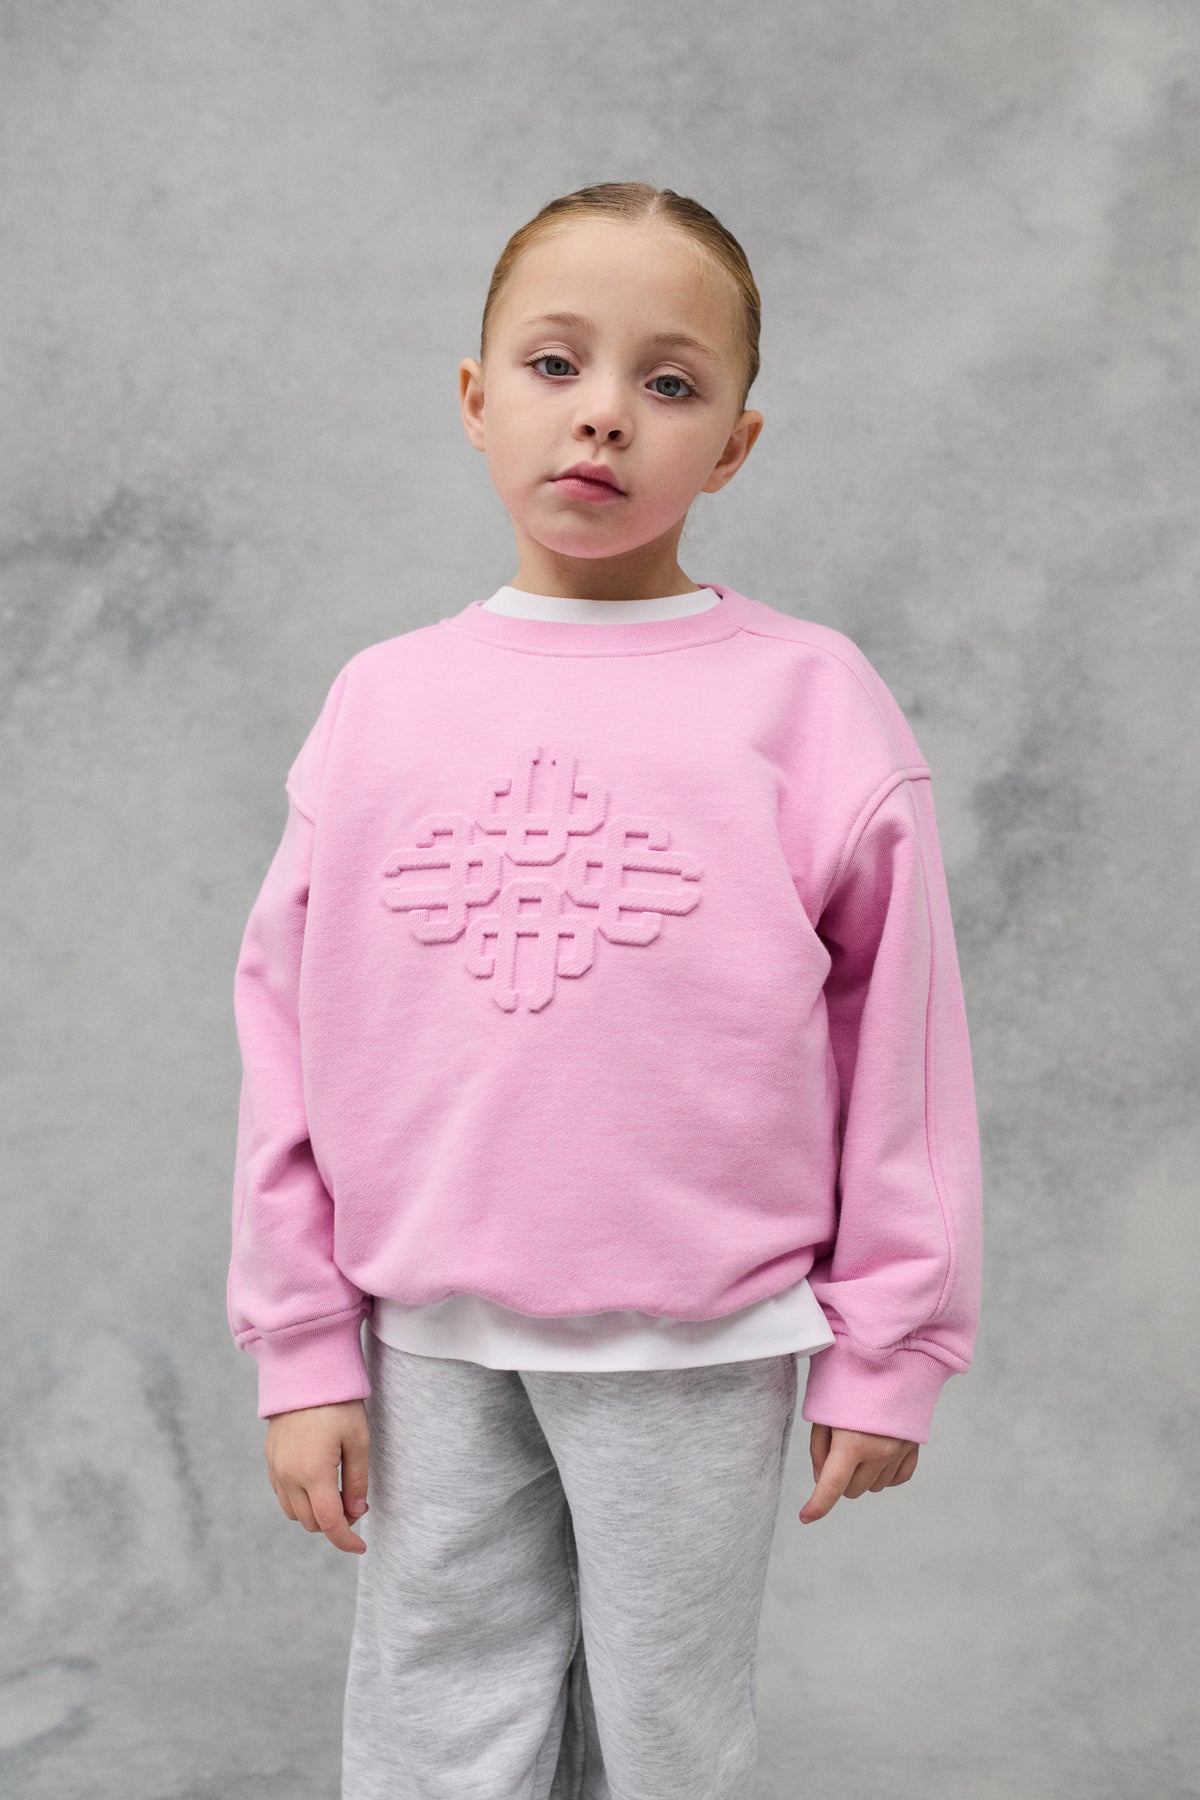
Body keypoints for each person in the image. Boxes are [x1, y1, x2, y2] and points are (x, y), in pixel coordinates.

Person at [226, 180, 984, 1800]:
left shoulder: (810, 701)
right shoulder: (381, 703)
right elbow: (284, 1036)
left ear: (735, 445)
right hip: (428, 1338)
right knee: (438, 1722)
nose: (603, 416)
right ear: (474, 396)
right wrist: (302, 1345)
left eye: (670, 381)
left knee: (665, 1735)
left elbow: (902, 1049)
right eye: (556, 363)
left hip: (699, 1337)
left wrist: (890, 1345)